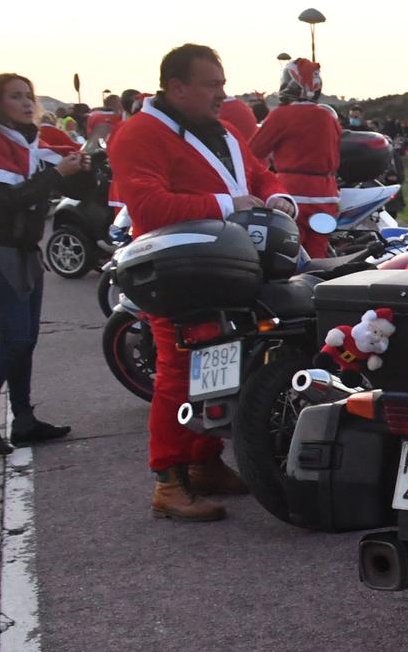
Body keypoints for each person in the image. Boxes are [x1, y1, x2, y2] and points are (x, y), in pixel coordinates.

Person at [108, 44, 293, 520]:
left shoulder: (225, 130)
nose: (222, 93)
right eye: (212, 85)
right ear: (177, 88)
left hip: (225, 266)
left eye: (221, 82)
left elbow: (258, 176)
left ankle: (204, 461)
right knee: (177, 371)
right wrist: (231, 205)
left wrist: (279, 198)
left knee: (219, 364)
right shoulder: (137, 136)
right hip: (175, 271)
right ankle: (167, 481)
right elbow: (148, 208)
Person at [0, 73, 92, 454]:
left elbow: (64, 187)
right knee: (13, 338)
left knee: (25, 340)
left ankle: (24, 420)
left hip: (25, 248)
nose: (27, 102)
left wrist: (82, 168)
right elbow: (1, 202)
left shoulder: (31, 142)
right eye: (16, 96)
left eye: (29, 95)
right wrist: (55, 175)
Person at [249, 59, 341, 256]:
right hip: (327, 195)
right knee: (317, 255)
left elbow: (253, 152)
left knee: (289, 255)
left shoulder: (281, 115)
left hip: (293, 194)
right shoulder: (328, 117)